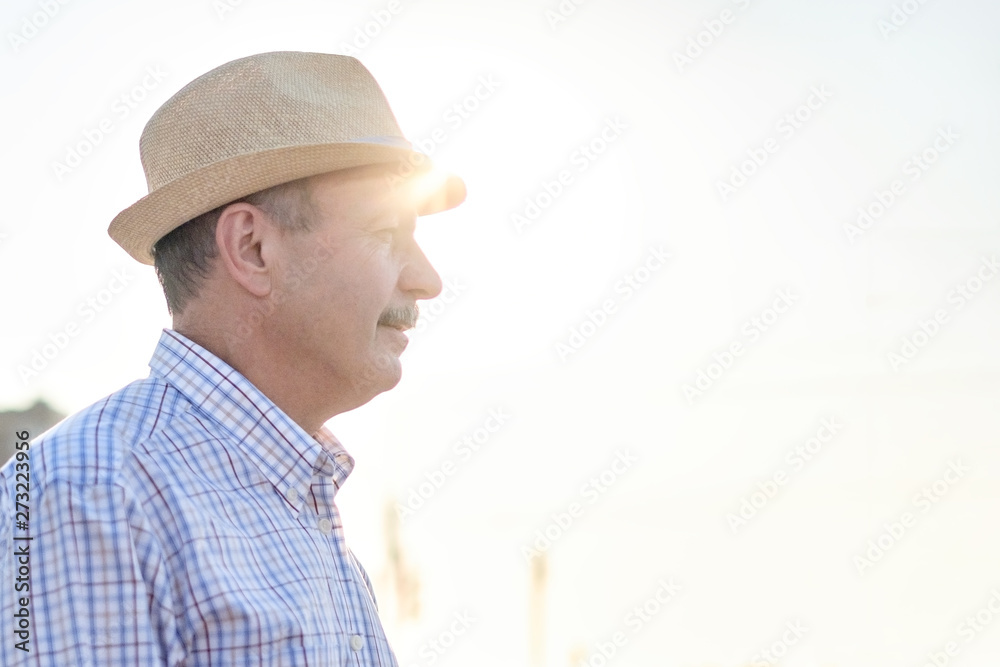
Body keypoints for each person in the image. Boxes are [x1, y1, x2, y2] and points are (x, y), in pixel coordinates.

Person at [0, 50, 465, 665]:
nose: (428, 280)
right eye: (385, 233)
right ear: (251, 247)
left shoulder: (297, 497)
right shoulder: (91, 494)